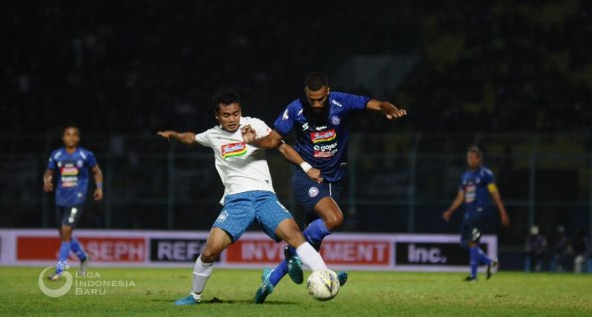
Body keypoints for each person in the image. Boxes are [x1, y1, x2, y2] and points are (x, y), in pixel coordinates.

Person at [241, 71, 407, 303]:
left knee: (311, 245)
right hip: (307, 177)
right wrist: (252, 142)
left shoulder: (341, 101)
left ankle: (271, 279)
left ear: (328, 92)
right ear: (306, 94)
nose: (317, 104)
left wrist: (387, 107)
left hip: (334, 180)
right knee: (335, 219)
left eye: (321, 99)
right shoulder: (296, 109)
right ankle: (292, 253)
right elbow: (273, 140)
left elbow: (373, 103)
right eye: (312, 99)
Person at [157, 91, 333, 305]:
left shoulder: (254, 125)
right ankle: (194, 296)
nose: (232, 119)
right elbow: (192, 138)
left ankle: (325, 276)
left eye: (236, 113)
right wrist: (174, 135)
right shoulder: (213, 135)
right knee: (210, 251)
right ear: (217, 116)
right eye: (226, 115)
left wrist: (306, 168)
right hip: (236, 201)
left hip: (264, 197)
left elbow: (282, 146)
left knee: (295, 235)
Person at [43, 126, 103, 280]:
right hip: (60, 198)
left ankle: (59, 270)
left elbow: (96, 171)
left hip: (77, 197)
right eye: (68, 135)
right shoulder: (56, 155)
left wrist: (99, 188)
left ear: (78, 138)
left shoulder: (85, 155)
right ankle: (83, 257)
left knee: (66, 231)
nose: (71, 137)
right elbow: (49, 173)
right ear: (63, 138)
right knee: (64, 234)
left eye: (74, 135)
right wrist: (47, 181)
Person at [442, 146, 510, 281]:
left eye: (474, 157)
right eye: (469, 157)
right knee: (465, 243)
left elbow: (494, 194)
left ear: (480, 159)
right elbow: (461, 196)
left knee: (473, 242)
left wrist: (503, 213)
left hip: (480, 214)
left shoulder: (486, 175)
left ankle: (474, 276)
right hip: (468, 214)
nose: (471, 160)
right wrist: (450, 210)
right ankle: (490, 263)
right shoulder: (465, 177)